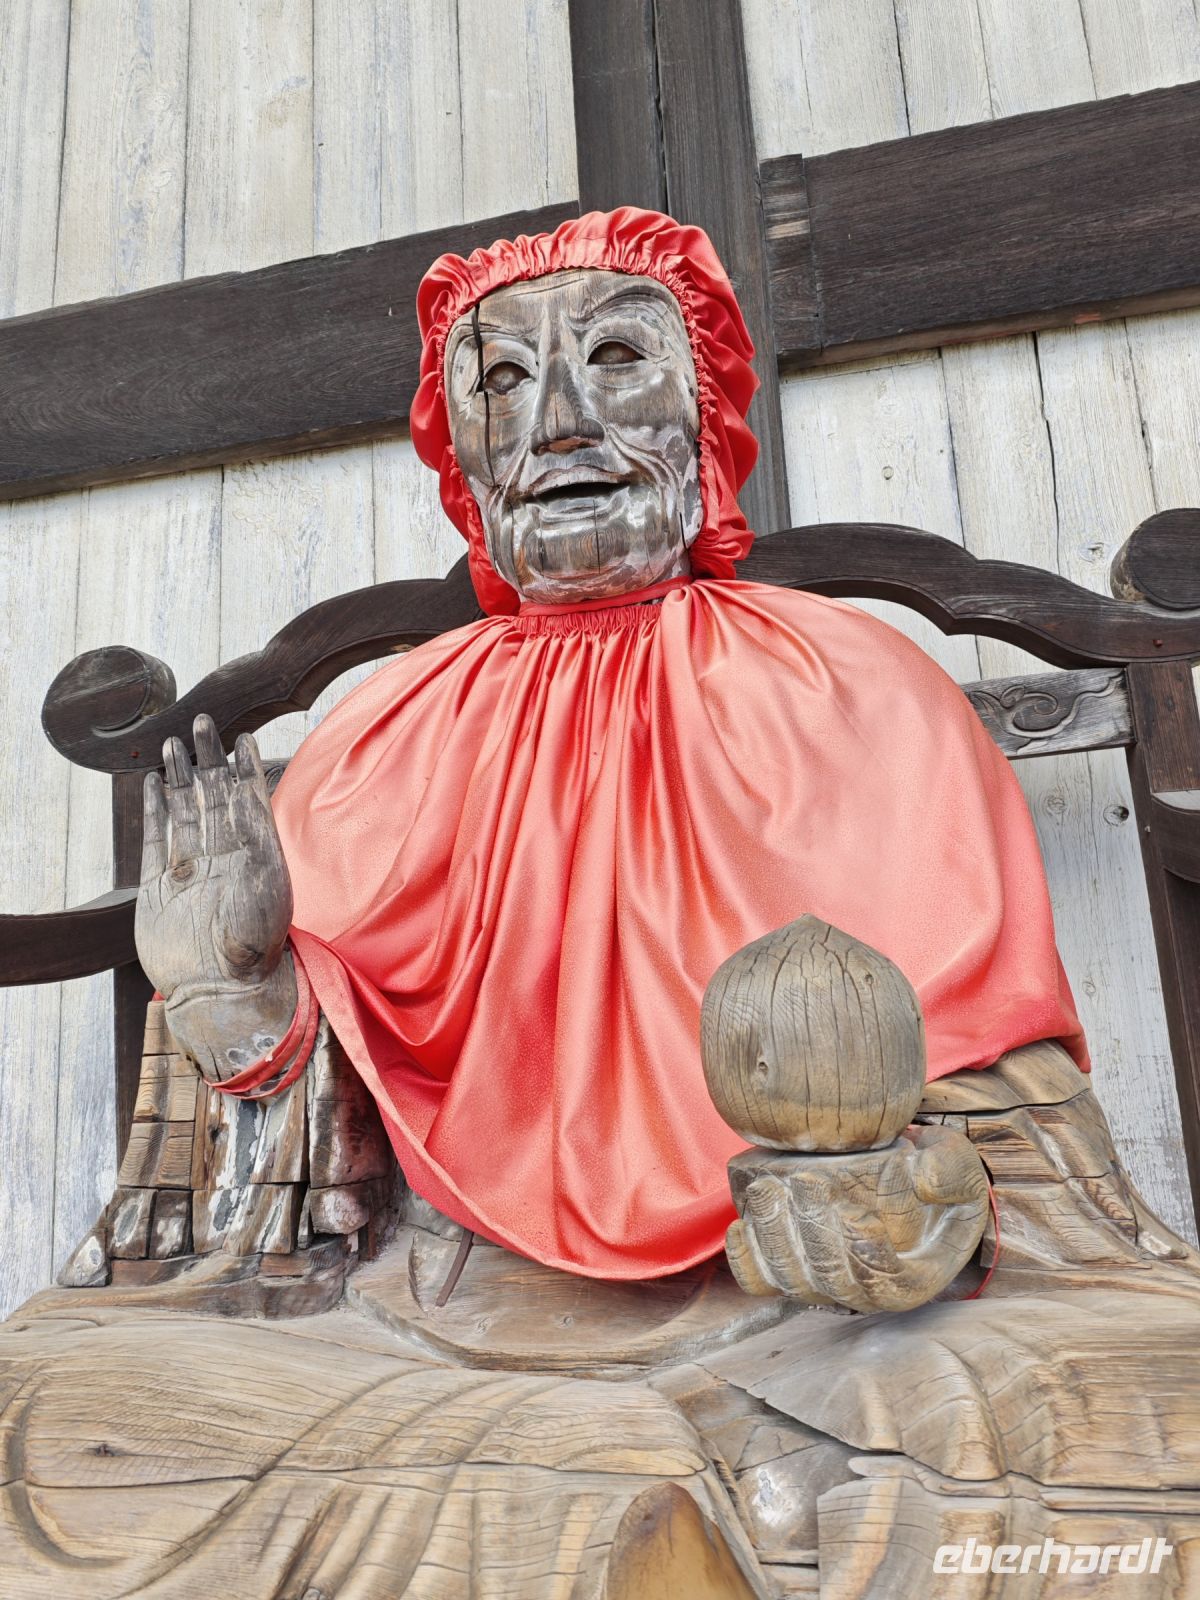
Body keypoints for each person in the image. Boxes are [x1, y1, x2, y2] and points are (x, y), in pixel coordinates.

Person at [137, 207, 1085, 1283]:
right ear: (458, 450)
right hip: (455, 1280)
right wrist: (240, 992)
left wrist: (884, 1204)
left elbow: (996, 1086)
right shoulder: (376, 742)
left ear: (705, 405)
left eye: (618, 355)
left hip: (784, 1270)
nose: (558, 425)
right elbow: (336, 1118)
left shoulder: (858, 689)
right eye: (499, 382)